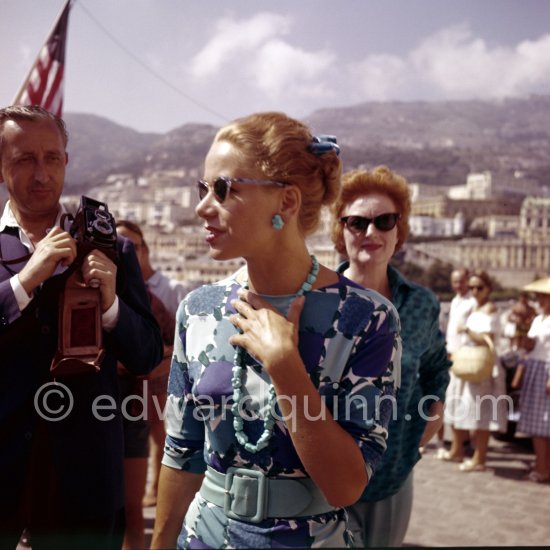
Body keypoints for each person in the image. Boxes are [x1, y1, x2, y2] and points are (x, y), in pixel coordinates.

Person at [151, 112, 402, 549]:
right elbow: (181, 453)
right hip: (202, 538)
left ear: (286, 202)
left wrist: (286, 366)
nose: (202, 207)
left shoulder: (366, 318)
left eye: (224, 189)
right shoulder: (200, 310)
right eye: (203, 189)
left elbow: (346, 485)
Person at [0, 105, 163, 550]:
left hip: (84, 485)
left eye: (52, 158)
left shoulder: (113, 247)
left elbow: (148, 354)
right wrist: (25, 281)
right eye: (23, 159)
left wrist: (111, 305)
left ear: (67, 161)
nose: (41, 173)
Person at [329, 166, 450, 548]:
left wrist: (415, 443)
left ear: (399, 231)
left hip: (391, 481)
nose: (371, 233)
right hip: (322, 481)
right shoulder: (316, 302)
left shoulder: (420, 305)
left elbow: (435, 374)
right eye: (357, 222)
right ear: (340, 230)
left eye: (384, 221)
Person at [114, 220, 181, 549]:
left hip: (137, 405)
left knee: (131, 507)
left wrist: (147, 363)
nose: (125, 252)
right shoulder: (78, 289)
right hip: (89, 410)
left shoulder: (154, 299)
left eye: (133, 246)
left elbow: (176, 349)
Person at [445, 269, 507, 471]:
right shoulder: (477, 308)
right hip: (470, 363)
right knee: (470, 409)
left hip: (482, 365)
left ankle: (480, 458)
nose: (474, 291)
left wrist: (467, 331)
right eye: (471, 287)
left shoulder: (491, 309)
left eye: (479, 287)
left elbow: (486, 338)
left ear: (488, 289)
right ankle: (463, 451)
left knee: (482, 413)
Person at [513, 277, 550, 483]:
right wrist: (521, 331)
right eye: (539, 296)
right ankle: (542, 465)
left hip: (547, 369)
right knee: (539, 424)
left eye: (545, 296)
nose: (540, 300)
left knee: (545, 423)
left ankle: (543, 468)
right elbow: (530, 346)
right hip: (535, 367)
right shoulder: (538, 319)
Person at [437, 268, 476, 460]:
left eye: (461, 281)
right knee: (453, 401)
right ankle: (460, 443)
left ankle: (461, 445)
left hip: (464, 358)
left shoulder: (472, 302)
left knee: (461, 401)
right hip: (452, 356)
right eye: (454, 282)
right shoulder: (455, 301)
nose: (457, 285)